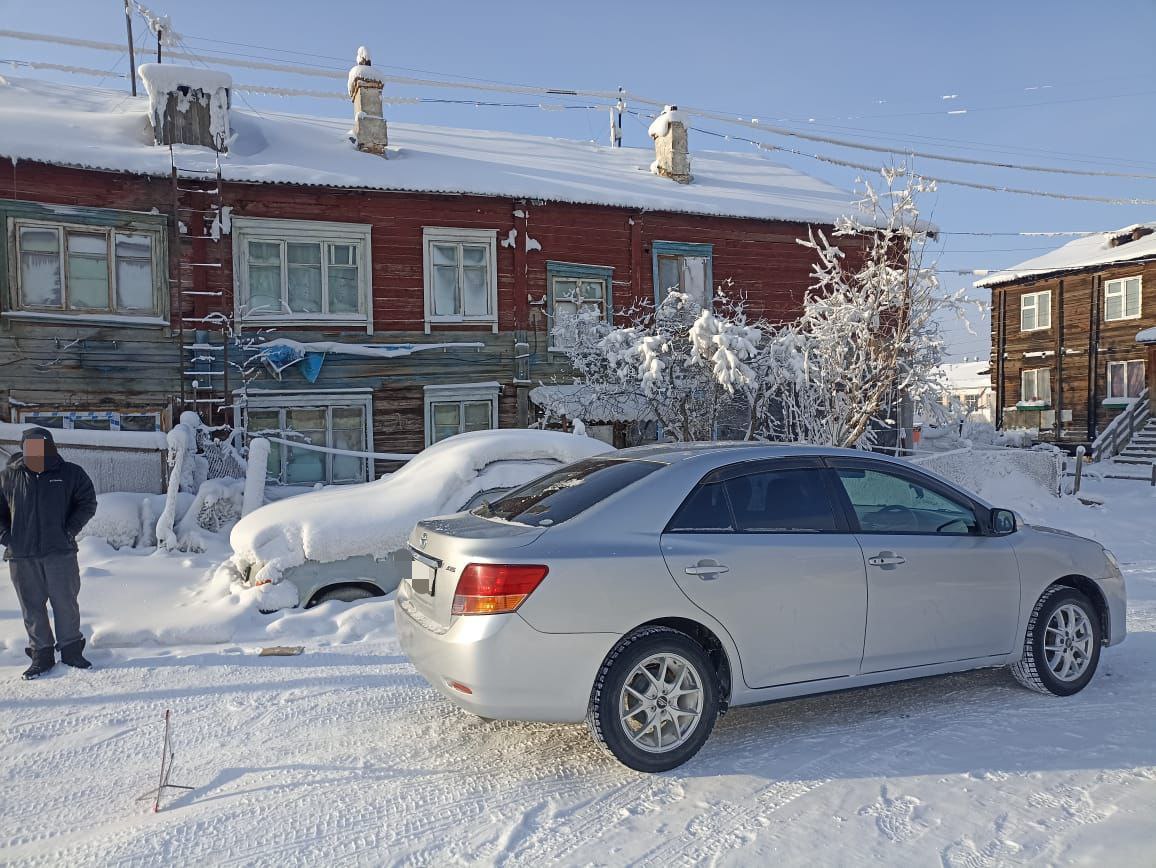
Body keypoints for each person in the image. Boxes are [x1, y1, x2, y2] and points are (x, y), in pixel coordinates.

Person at [0, 427, 98, 680]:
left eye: (39, 445)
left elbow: (87, 502)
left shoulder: (70, 473)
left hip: (60, 552)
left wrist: (70, 529)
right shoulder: (9, 477)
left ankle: (71, 650)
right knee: (32, 606)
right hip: (22, 556)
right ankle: (41, 655)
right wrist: (6, 537)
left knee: (65, 602)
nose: (34, 450)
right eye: (29, 445)